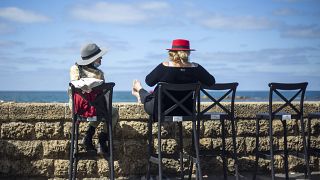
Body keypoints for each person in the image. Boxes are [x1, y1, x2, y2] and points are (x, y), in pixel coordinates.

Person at [132, 39, 215, 115]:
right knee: (150, 97)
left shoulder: (164, 67)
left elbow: (149, 82)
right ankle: (139, 93)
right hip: (187, 111)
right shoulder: (196, 68)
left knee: (149, 98)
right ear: (188, 53)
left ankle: (139, 89)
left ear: (172, 52)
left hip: (162, 110)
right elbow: (211, 82)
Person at [69, 43, 119, 153]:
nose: (101, 58)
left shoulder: (75, 68)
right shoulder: (99, 74)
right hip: (96, 109)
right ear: (93, 59)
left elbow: (74, 86)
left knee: (97, 109)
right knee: (111, 112)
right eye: (99, 56)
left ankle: (88, 137)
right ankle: (101, 139)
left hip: (78, 109)